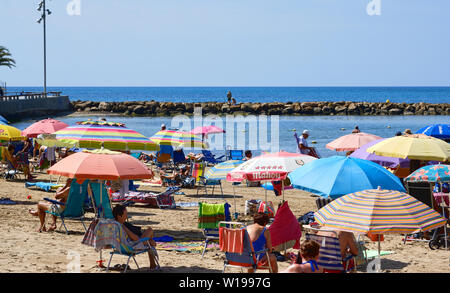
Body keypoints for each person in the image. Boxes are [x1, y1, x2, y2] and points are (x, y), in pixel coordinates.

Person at [112, 204, 158, 270]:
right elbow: (136, 238)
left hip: (122, 246)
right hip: (133, 246)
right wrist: (149, 241)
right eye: (125, 215)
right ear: (119, 216)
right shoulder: (122, 226)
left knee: (150, 240)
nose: (126, 217)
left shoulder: (114, 224)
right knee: (150, 231)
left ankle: (153, 263)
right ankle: (153, 265)